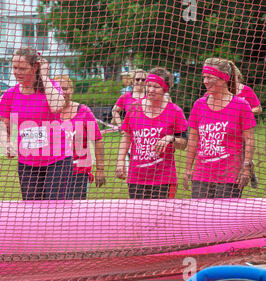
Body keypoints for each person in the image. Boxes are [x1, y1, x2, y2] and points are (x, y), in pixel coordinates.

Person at [0, 47, 72, 201]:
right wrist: (6, 143)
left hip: (57, 159)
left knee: (55, 206)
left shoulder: (51, 87)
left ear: (35, 67)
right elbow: (4, 125)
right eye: (15, 68)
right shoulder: (10, 95)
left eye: (23, 68)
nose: (17, 72)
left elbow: (57, 106)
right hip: (27, 161)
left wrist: (44, 76)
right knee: (32, 209)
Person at [184, 58, 256, 198]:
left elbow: (250, 140)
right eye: (204, 77)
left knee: (224, 219)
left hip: (229, 176)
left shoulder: (241, 106)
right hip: (202, 176)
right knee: (199, 218)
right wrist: (188, 169)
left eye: (210, 77)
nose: (205, 81)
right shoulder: (199, 105)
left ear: (223, 79)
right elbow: (193, 139)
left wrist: (246, 169)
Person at [116, 67, 188, 199]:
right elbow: (126, 137)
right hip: (136, 178)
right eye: (148, 85)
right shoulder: (133, 109)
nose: (150, 90)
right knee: (138, 217)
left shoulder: (175, 111)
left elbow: (183, 143)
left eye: (156, 87)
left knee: (162, 218)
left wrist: (170, 139)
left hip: (163, 179)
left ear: (165, 89)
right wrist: (120, 161)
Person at [54, 75, 106, 200]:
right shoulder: (47, 112)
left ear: (71, 90)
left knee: (74, 210)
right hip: (54, 171)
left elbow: (97, 140)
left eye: (65, 88)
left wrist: (100, 169)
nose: (62, 92)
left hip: (79, 171)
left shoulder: (84, 111)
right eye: (58, 89)